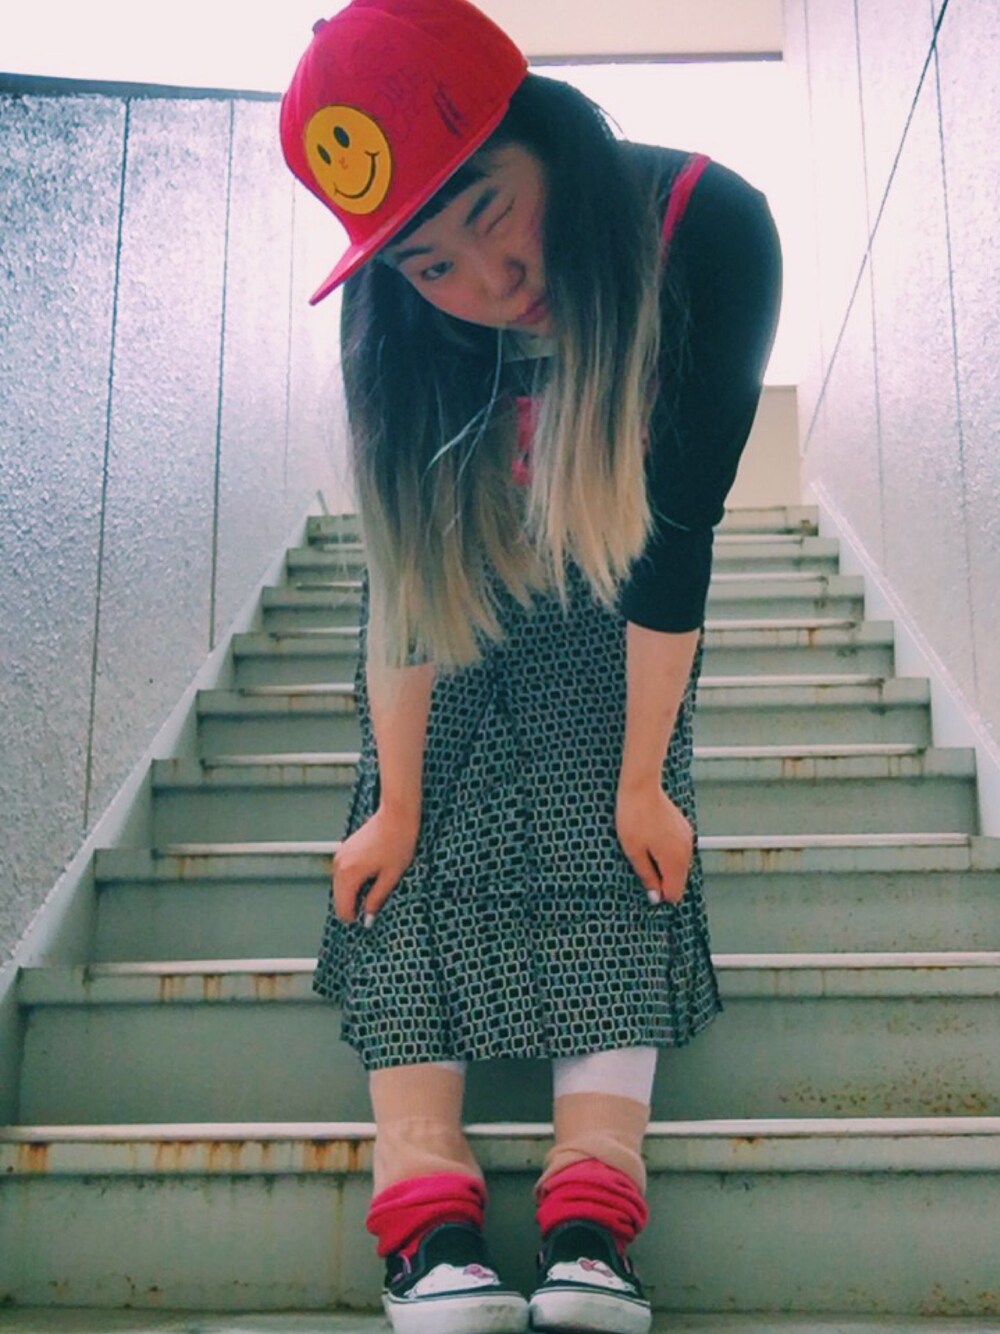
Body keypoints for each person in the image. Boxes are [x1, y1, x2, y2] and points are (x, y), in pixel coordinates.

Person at [280, 2, 782, 1330]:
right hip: (466, 568)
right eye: (432, 263)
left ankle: (594, 1205)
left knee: (611, 776)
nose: (491, 282)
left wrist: (643, 781)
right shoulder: (400, 317)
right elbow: (409, 579)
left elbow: (674, 537)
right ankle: (423, 1204)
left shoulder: (707, 229)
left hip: (620, 561)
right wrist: (394, 800)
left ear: (545, 135)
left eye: (494, 212)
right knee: (403, 806)